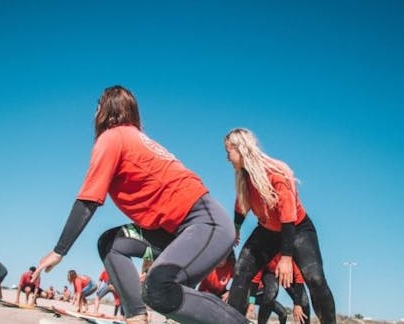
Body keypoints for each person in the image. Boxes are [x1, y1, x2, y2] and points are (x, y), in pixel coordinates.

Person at [33, 85, 247, 324]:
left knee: (159, 289)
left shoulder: (112, 137)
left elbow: (88, 200)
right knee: (112, 243)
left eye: (97, 107)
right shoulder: (132, 138)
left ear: (106, 110)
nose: (94, 114)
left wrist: (59, 250)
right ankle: (135, 317)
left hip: (205, 224)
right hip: (175, 232)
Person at [224, 128, 336, 324]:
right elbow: (241, 206)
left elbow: (288, 215)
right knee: (242, 272)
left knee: (315, 279)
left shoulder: (277, 172)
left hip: (297, 228)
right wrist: (236, 228)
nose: (227, 158)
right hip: (267, 231)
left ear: (241, 149)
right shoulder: (245, 178)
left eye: (228, 152)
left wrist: (286, 258)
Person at [250, 254, 310, 324]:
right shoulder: (264, 256)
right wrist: (251, 302)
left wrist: (297, 304)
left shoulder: (289, 258)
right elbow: (256, 279)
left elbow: (299, 278)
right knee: (271, 291)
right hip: (266, 276)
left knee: (303, 302)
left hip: (286, 273)